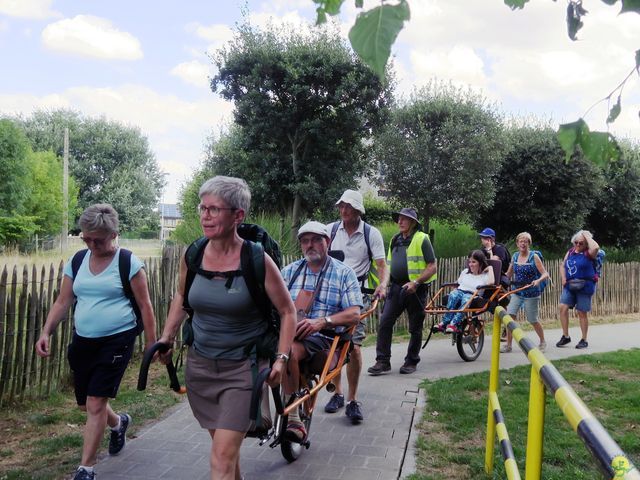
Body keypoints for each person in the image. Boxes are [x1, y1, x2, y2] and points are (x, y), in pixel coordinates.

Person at [157, 176, 296, 480]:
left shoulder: (257, 260)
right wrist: (167, 337)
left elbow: (287, 311)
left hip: (243, 371)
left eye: (214, 209)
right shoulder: (192, 255)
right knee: (226, 457)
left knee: (220, 458)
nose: (205, 216)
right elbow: (182, 296)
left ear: (238, 215)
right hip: (201, 369)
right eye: (202, 208)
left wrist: (282, 358)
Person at [35, 204, 157, 480]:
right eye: (86, 238)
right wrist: (46, 332)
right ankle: (119, 423)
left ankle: (86, 468)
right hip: (83, 340)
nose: (92, 244)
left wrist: (152, 343)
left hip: (117, 340)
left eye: (98, 240)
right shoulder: (77, 261)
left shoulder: (128, 263)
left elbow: (145, 305)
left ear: (114, 234)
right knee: (86, 405)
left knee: (95, 402)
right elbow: (63, 300)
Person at [281, 221, 363, 441]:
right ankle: (257, 416)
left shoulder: (344, 273)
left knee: (284, 350)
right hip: (290, 334)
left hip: (325, 339)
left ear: (327, 242)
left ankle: (294, 419)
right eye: (305, 241)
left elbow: (355, 314)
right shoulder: (289, 272)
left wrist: (322, 322)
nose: (311, 245)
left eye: (317, 239)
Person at [324, 189, 389, 424]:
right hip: (331, 294)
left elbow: (382, 264)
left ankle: (352, 399)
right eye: (341, 206)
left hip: (357, 295)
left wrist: (382, 285)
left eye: (348, 207)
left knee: (353, 346)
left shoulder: (371, 233)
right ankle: (337, 393)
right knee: (331, 343)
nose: (343, 210)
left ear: (358, 210)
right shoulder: (330, 231)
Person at [368, 208, 437, 376]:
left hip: (416, 289)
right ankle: (382, 361)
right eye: (399, 218)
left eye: (404, 219)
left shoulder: (422, 239)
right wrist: (384, 285)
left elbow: (432, 267)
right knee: (385, 322)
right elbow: (388, 265)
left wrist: (416, 282)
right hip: (397, 288)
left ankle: (411, 361)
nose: (400, 222)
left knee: (415, 327)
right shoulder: (395, 239)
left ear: (413, 222)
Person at [500, 232, 550, 353]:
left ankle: (542, 341)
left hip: (532, 294)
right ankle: (509, 345)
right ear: (517, 243)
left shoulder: (534, 257)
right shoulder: (515, 256)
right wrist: (500, 280)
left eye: (525, 241)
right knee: (510, 317)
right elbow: (509, 274)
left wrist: (538, 280)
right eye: (521, 241)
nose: (523, 243)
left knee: (532, 319)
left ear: (529, 243)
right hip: (517, 292)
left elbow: (545, 273)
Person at [556, 229, 600, 350]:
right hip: (570, 285)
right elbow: (562, 265)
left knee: (581, 312)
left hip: (585, 286)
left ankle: (584, 339)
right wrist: (563, 278)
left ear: (586, 243)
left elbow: (596, 247)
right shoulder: (570, 252)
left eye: (581, 243)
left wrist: (586, 235)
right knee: (562, 307)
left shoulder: (590, 253)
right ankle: (565, 336)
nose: (578, 245)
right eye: (576, 242)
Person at [436, 249, 495, 333]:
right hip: (460, 291)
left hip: (473, 295)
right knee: (453, 295)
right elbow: (458, 283)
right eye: (470, 262)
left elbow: (491, 282)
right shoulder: (465, 272)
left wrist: (490, 268)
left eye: (474, 262)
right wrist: (452, 287)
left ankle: (453, 324)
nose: (470, 264)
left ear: (480, 263)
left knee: (466, 299)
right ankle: (444, 322)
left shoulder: (484, 276)